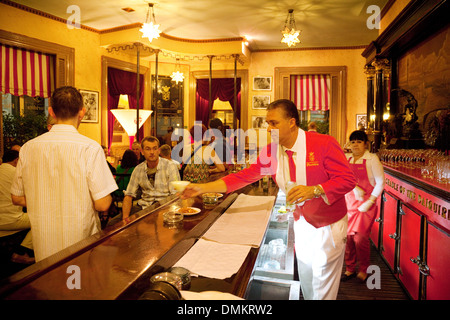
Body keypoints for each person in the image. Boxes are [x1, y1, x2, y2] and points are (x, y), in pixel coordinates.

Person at [181, 99, 356, 300]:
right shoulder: (272, 151)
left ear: (291, 122)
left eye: (274, 123)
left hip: (329, 225)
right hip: (301, 222)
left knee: (323, 283)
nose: (269, 128)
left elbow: (347, 179)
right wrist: (202, 188)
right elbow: (243, 177)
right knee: (307, 279)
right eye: (267, 123)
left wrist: (315, 190)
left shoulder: (323, 143)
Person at [11, 86, 118, 262]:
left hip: (43, 241)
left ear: (51, 111)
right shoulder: (90, 148)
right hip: (79, 241)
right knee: (74, 284)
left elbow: (17, 197)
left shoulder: (28, 148)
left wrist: (46, 200)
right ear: (82, 112)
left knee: (48, 284)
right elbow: (102, 204)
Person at [342, 130, 385, 283]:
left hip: (366, 205)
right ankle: (349, 268)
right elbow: (343, 178)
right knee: (347, 238)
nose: (355, 145)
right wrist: (354, 187)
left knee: (360, 239)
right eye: (353, 142)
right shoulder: (347, 159)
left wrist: (370, 201)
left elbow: (380, 183)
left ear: (366, 144)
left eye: (359, 141)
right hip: (348, 203)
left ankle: (364, 269)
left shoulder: (372, 159)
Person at [121, 136, 180, 220]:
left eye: (155, 148)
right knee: (113, 224)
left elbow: (175, 195)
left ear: (159, 151)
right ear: (142, 152)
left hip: (164, 206)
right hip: (144, 206)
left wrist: (170, 213)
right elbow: (129, 195)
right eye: (148, 149)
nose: (152, 152)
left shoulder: (170, 166)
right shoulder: (138, 169)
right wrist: (125, 219)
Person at [0, 150, 34, 264]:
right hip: (11, 220)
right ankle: (22, 252)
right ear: (17, 161)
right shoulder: (17, 173)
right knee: (42, 219)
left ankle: (9, 254)